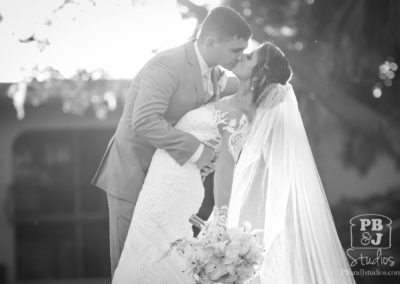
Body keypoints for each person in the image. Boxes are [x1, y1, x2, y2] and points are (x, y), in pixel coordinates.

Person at [91, 6, 251, 276]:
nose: (240, 57)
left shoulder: (213, 71)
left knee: (165, 267)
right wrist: (199, 153)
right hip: (134, 175)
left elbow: (231, 91)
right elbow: (144, 121)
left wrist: (270, 86)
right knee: (131, 267)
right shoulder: (167, 64)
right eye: (236, 50)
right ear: (211, 42)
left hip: (168, 182)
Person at [227, 43, 356, 283]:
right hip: (249, 200)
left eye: (249, 56)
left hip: (259, 203)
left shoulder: (275, 98)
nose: (241, 58)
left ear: (263, 68)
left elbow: (259, 148)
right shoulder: (254, 96)